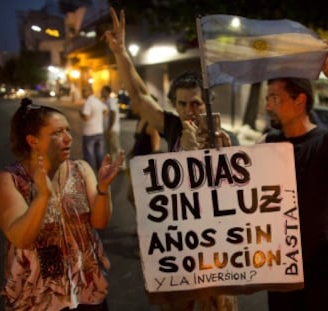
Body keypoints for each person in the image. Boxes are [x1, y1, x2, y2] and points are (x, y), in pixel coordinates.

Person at [104, 8, 238, 311]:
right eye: (182, 104)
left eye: (195, 104)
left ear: (206, 104)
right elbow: (138, 97)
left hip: (216, 246)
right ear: (175, 105)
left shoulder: (225, 138)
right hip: (179, 244)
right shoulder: (173, 126)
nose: (189, 110)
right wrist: (121, 52)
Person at [260, 25, 328, 311]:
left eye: (275, 98)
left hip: (323, 267)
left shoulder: (327, 142)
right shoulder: (266, 144)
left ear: (300, 100)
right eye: (267, 99)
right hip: (281, 266)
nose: (268, 106)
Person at [0, 98, 124, 311]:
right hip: (38, 297)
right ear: (33, 140)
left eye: (68, 130)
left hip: (86, 290)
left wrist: (103, 188)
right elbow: (21, 238)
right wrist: (42, 196)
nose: (69, 138)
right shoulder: (10, 180)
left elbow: (99, 222)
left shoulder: (81, 169)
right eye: (57, 132)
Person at [81, 85, 108, 172]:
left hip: (89, 133)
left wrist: (81, 114)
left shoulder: (88, 102)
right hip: (99, 131)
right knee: (99, 154)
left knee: (89, 155)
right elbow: (106, 110)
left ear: (90, 92)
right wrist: (100, 118)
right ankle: (101, 171)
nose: (83, 93)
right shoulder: (97, 101)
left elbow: (86, 117)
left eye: (84, 91)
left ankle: (90, 173)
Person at [101, 85, 122, 164]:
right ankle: (114, 164)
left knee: (115, 147)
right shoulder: (106, 101)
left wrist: (110, 128)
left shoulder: (111, 101)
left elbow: (113, 114)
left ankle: (121, 164)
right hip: (109, 128)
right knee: (110, 148)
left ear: (107, 92)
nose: (101, 92)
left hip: (112, 129)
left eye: (103, 91)